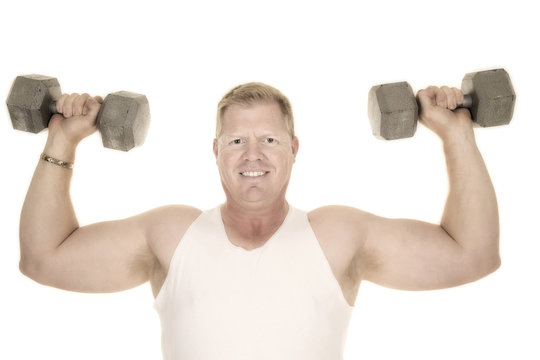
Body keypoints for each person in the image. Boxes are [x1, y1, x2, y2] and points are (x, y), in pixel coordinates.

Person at [18, 82, 501, 359]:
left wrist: (456, 134)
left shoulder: (334, 236)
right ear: (216, 152)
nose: (253, 154)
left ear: (293, 149)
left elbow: (471, 255)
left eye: (269, 140)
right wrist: (61, 141)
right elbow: (44, 259)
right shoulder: (172, 234)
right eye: (236, 141)